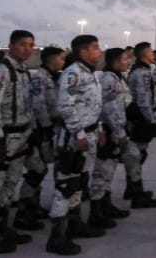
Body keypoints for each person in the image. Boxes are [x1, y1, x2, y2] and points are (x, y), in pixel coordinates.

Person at [0, 30, 37, 253]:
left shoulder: (23, 72)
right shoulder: (2, 71)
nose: (27, 49)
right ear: (11, 46)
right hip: (3, 136)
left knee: (10, 183)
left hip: (20, 138)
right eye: (22, 44)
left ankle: (2, 226)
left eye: (31, 45)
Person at [46, 34, 106, 255]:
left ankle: (74, 224)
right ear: (83, 51)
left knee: (80, 182)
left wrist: (97, 130)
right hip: (73, 139)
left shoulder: (89, 73)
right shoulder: (73, 73)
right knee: (66, 186)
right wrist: (79, 133)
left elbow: (91, 106)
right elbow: (66, 106)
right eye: (95, 48)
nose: (99, 52)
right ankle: (57, 236)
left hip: (88, 136)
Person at [17, 46, 65, 228]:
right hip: (38, 129)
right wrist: (45, 128)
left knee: (41, 168)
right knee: (36, 170)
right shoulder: (40, 77)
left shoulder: (54, 77)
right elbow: (38, 104)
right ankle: (23, 211)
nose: (62, 61)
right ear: (51, 59)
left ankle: (33, 205)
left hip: (47, 129)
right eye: (60, 58)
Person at [88, 47, 135, 231]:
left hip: (115, 130)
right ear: (115, 61)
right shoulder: (109, 79)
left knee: (109, 170)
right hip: (109, 132)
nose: (127, 62)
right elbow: (110, 109)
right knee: (102, 171)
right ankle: (96, 212)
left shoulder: (117, 77)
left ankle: (105, 204)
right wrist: (120, 133)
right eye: (124, 59)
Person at [124, 42, 156, 205]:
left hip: (139, 116)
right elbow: (143, 99)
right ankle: (136, 192)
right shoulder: (142, 73)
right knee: (137, 155)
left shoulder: (142, 70)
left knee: (138, 154)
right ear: (145, 54)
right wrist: (151, 120)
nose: (153, 53)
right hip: (139, 118)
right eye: (150, 51)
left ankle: (132, 188)